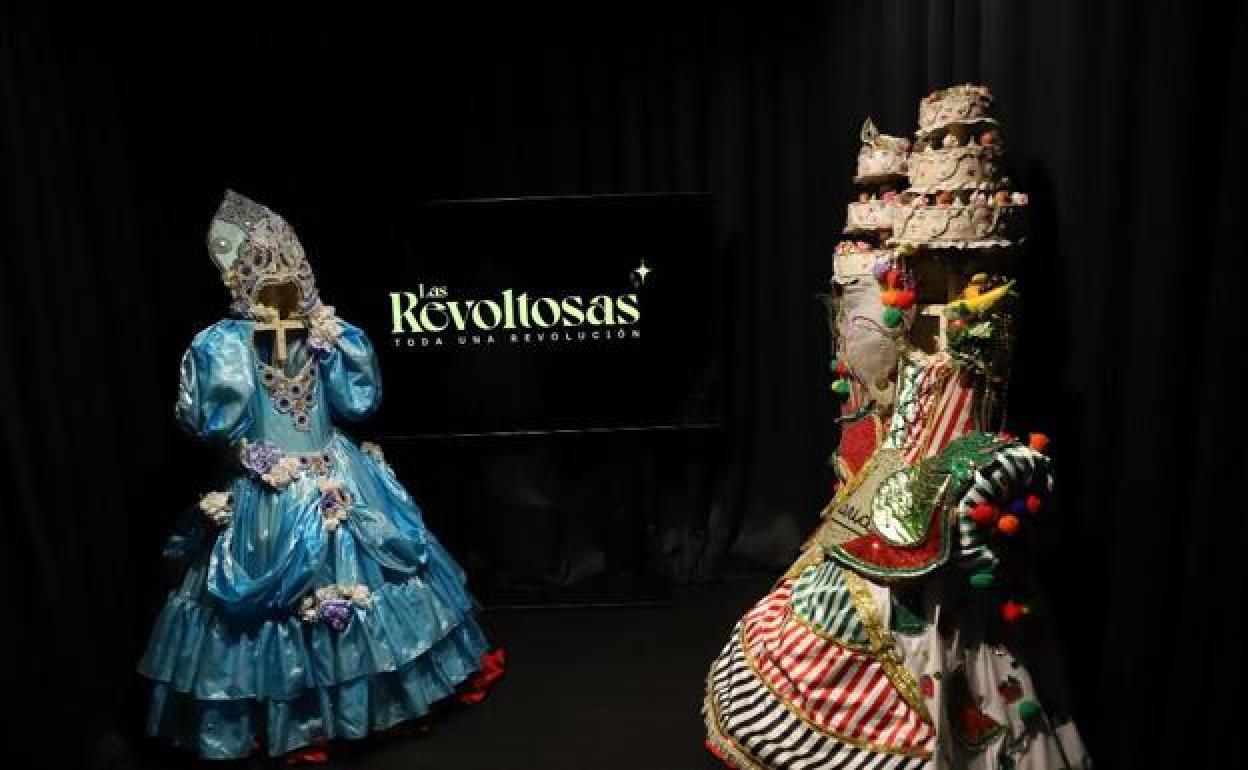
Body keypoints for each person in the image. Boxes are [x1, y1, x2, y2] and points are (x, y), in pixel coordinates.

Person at [138, 190, 503, 761]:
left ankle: (362, 706)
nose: (281, 284)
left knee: (373, 575)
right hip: (267, 491)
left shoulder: (329, 332)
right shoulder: (226, 344)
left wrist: (325, 344)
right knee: (265, 600)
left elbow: (357, 403)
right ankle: (300, 719)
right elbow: (213, 423)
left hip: (337, 473)